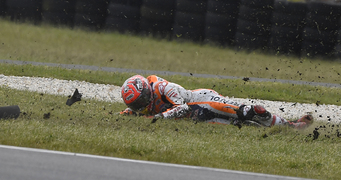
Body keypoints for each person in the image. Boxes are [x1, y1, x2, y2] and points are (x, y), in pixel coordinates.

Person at [120, 74, 313, 128]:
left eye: (143, 99)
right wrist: (125, 113)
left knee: (245, 113)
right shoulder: (140, 107)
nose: (142, 106)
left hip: (202, 101)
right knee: (241, 127)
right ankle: (284, 128)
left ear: (147, 90)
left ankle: (292, 125)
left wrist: (157, 119)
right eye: (137, 104)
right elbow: (133, 113)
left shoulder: (163, 88)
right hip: (198, 118)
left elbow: (182, 108)